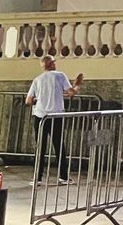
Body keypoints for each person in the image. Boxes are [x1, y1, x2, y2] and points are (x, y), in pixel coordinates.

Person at [25, 56, 83, 184]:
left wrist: (40, 100)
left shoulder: (37, 79)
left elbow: (28, 101)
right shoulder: (60, 76)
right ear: (51, 64)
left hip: (40, 116)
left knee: (40, 147)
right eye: (54, 62)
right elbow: (71, 92)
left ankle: (37, 178)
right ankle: (63, 176)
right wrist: (77, 85)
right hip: (56, 115)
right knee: (59, 145)